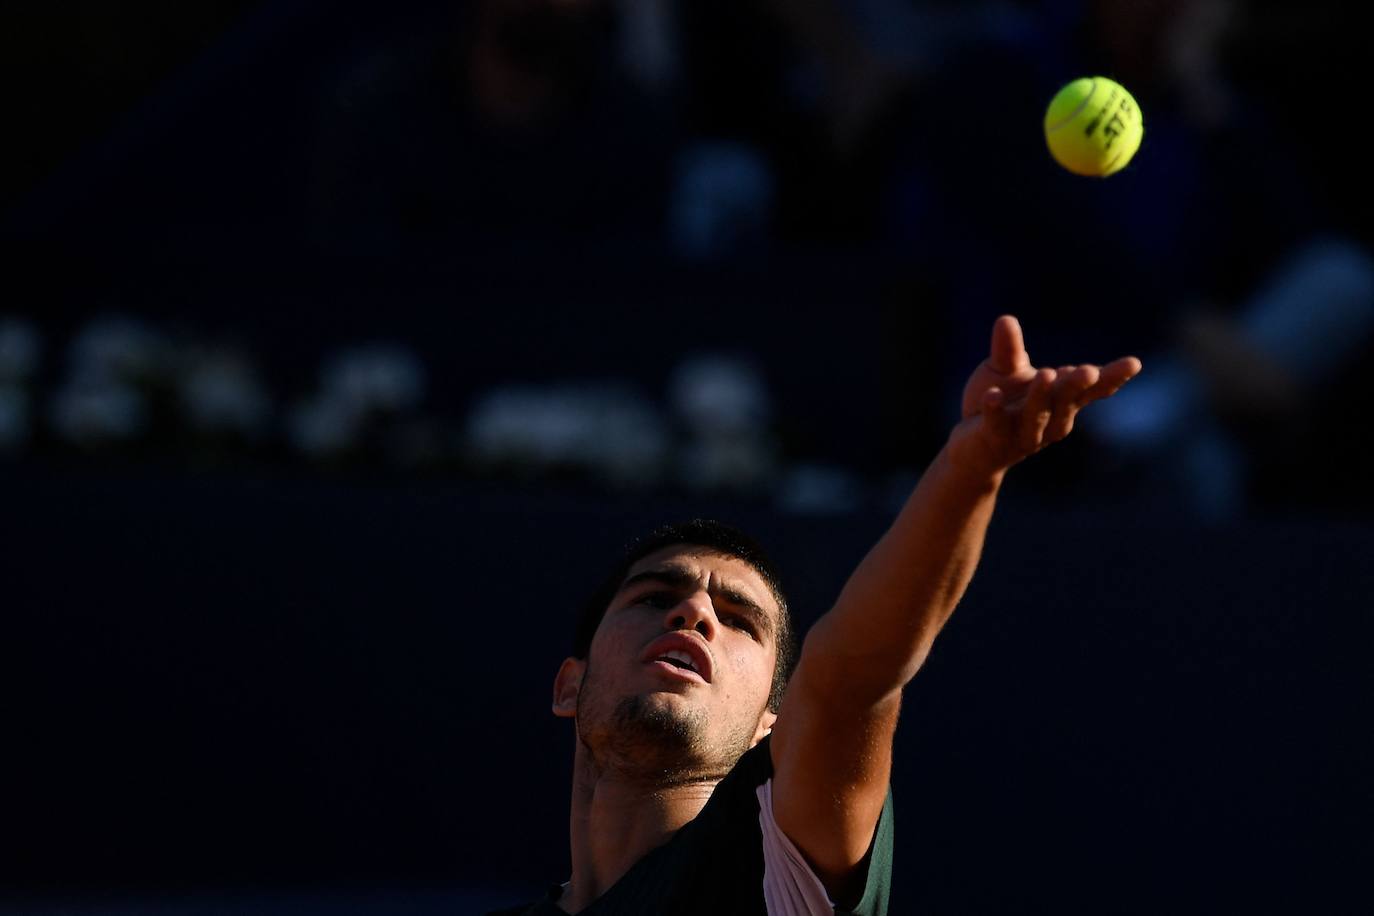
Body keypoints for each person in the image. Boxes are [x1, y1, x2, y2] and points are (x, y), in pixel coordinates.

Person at [489, 316, 1141, 914]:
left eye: (740, 619)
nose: (693, 612)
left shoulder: (776, 874)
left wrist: (971, 470)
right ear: (569, 685)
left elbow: (851, 680)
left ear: (769, 729)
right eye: (654, 596)